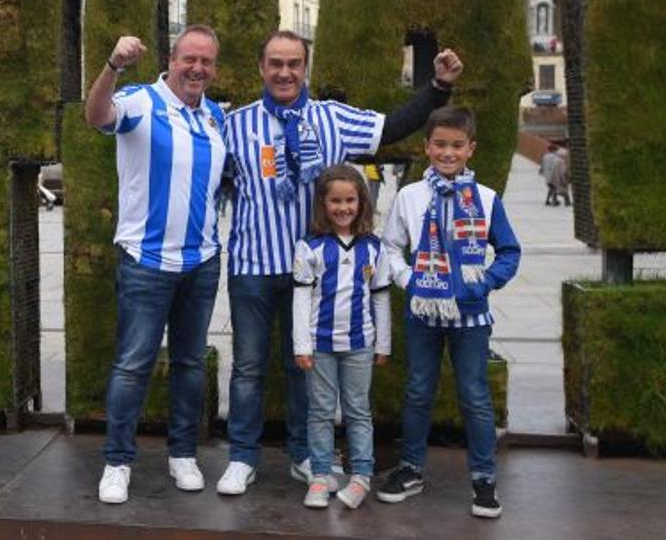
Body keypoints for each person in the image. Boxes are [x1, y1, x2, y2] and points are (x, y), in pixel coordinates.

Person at [215, 30, 462, 495]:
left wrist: (439, 88)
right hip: (253, 263)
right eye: (275, 64)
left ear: (306, 68)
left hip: (316, 273)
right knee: (248, 366)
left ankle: (306, 456)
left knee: (304, 367)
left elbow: (392, 126)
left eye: (293, 63)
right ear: (261, 69)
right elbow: (213, 178)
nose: (284, 72)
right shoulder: (234, 125)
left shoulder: (333, 119)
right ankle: (242, 458)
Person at [85, 26, 226, 505]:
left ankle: (182, 454)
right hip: (146, 261)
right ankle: (118, 462)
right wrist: (113, 64)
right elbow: (96, 115)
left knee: (189, 364)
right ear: (172, 58)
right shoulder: (141, 100)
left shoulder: (216, 117)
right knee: (133, 364)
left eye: (207, 62)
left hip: (202, 262)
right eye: (190, 59)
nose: (198, 69)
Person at [377, 106, 521, 519]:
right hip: (423, 312)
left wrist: (484, 282)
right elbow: (391, 247)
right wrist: (408, 281)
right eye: (440, 144)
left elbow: (509, 251)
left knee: (474, 397)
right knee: (418, 391)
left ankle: (483, 478)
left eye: (457, 145)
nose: (447, 152)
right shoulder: (409, 197)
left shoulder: (487, 199)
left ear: (470, 149)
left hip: (470, 317)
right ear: (426, 148)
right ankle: (410, 469)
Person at [291, 164, 391, 510]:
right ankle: (320, 475)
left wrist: (384, 343)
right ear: (323, 203)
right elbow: (302, 297)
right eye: (335, 201)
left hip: (360, 345)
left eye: (350, 200)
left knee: (358, 410)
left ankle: (361, 476)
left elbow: (380, 297)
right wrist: (301, 345)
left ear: (362, 202)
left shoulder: (374, 248)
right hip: (320, 345)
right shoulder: (310, 247)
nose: (343, 208)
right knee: (319, 411)